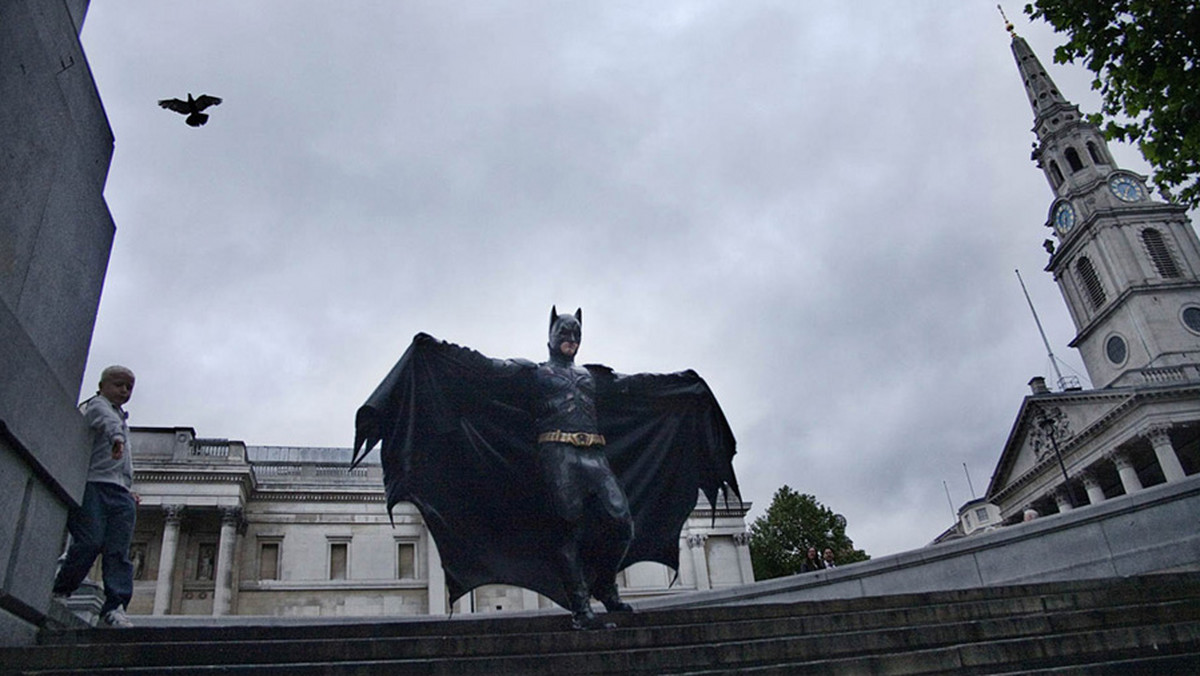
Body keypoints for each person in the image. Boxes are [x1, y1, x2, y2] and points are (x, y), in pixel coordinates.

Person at [353, 307, 739, 631]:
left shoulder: (592, 377)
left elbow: (638, 386)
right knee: (567, 527)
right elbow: (482, 368)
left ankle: (604, 583)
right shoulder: (532, 373)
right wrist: (438, 350)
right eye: (564, 330)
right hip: (556, 455)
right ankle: (581, 606)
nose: (571, 335)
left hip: (595, 456)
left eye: (576, 331)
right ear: (550, 336)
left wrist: (683, 384)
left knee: (622, 522)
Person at [52, 365, 140, 628]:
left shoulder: (121, 418)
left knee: (118, 552)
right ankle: (62, 589)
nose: (124, 390)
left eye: (129, 387)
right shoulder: (96, 406)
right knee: (89, 541)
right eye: (119, 384)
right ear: (102, 385)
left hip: (119, 491)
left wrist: (128, 487)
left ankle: (115, 607)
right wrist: (116, 438)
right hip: (93, 486)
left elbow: (125, 463)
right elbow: (106, 422)